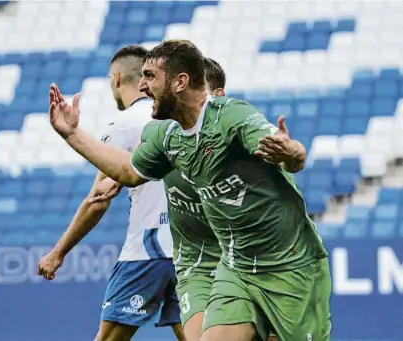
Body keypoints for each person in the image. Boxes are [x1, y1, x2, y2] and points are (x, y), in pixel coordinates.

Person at [48, 40, 331, 341]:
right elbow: (127, 172)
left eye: (150, 77)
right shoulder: (163, 134)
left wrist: (291, 152)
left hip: (289, 263)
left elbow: (293, 155)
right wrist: (73, 134)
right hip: (234, 267)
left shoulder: (230, 117)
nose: (141, 87)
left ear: (180, 82)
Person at [90, 57, 278, 341]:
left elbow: (104, 192)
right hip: (192, 255)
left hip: (157, 250)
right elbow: (132, 170)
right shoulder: (166, 130)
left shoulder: (229, 131)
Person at [38, 45, 185, 341]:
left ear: (117, 78)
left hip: (149, 250)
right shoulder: (180, 118)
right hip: (188, 248)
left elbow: (99, 199)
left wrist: (58, 252)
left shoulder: (126, 123)